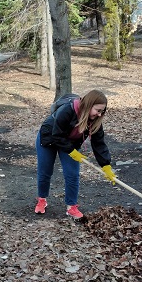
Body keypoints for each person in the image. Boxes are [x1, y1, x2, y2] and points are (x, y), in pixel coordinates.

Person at [35, 89, 116, 220]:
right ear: (89, 105)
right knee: (45, 171)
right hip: (49, 138)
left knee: (72, 174)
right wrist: (72, 151)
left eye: (102, 111)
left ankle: (71, 207)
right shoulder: (67, 110)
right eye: (98, 110)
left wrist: (106, 165)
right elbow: (57, 134)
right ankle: (42, 199)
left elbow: (99, 144)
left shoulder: (94, 121)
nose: (100, 114)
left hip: (69, 143)